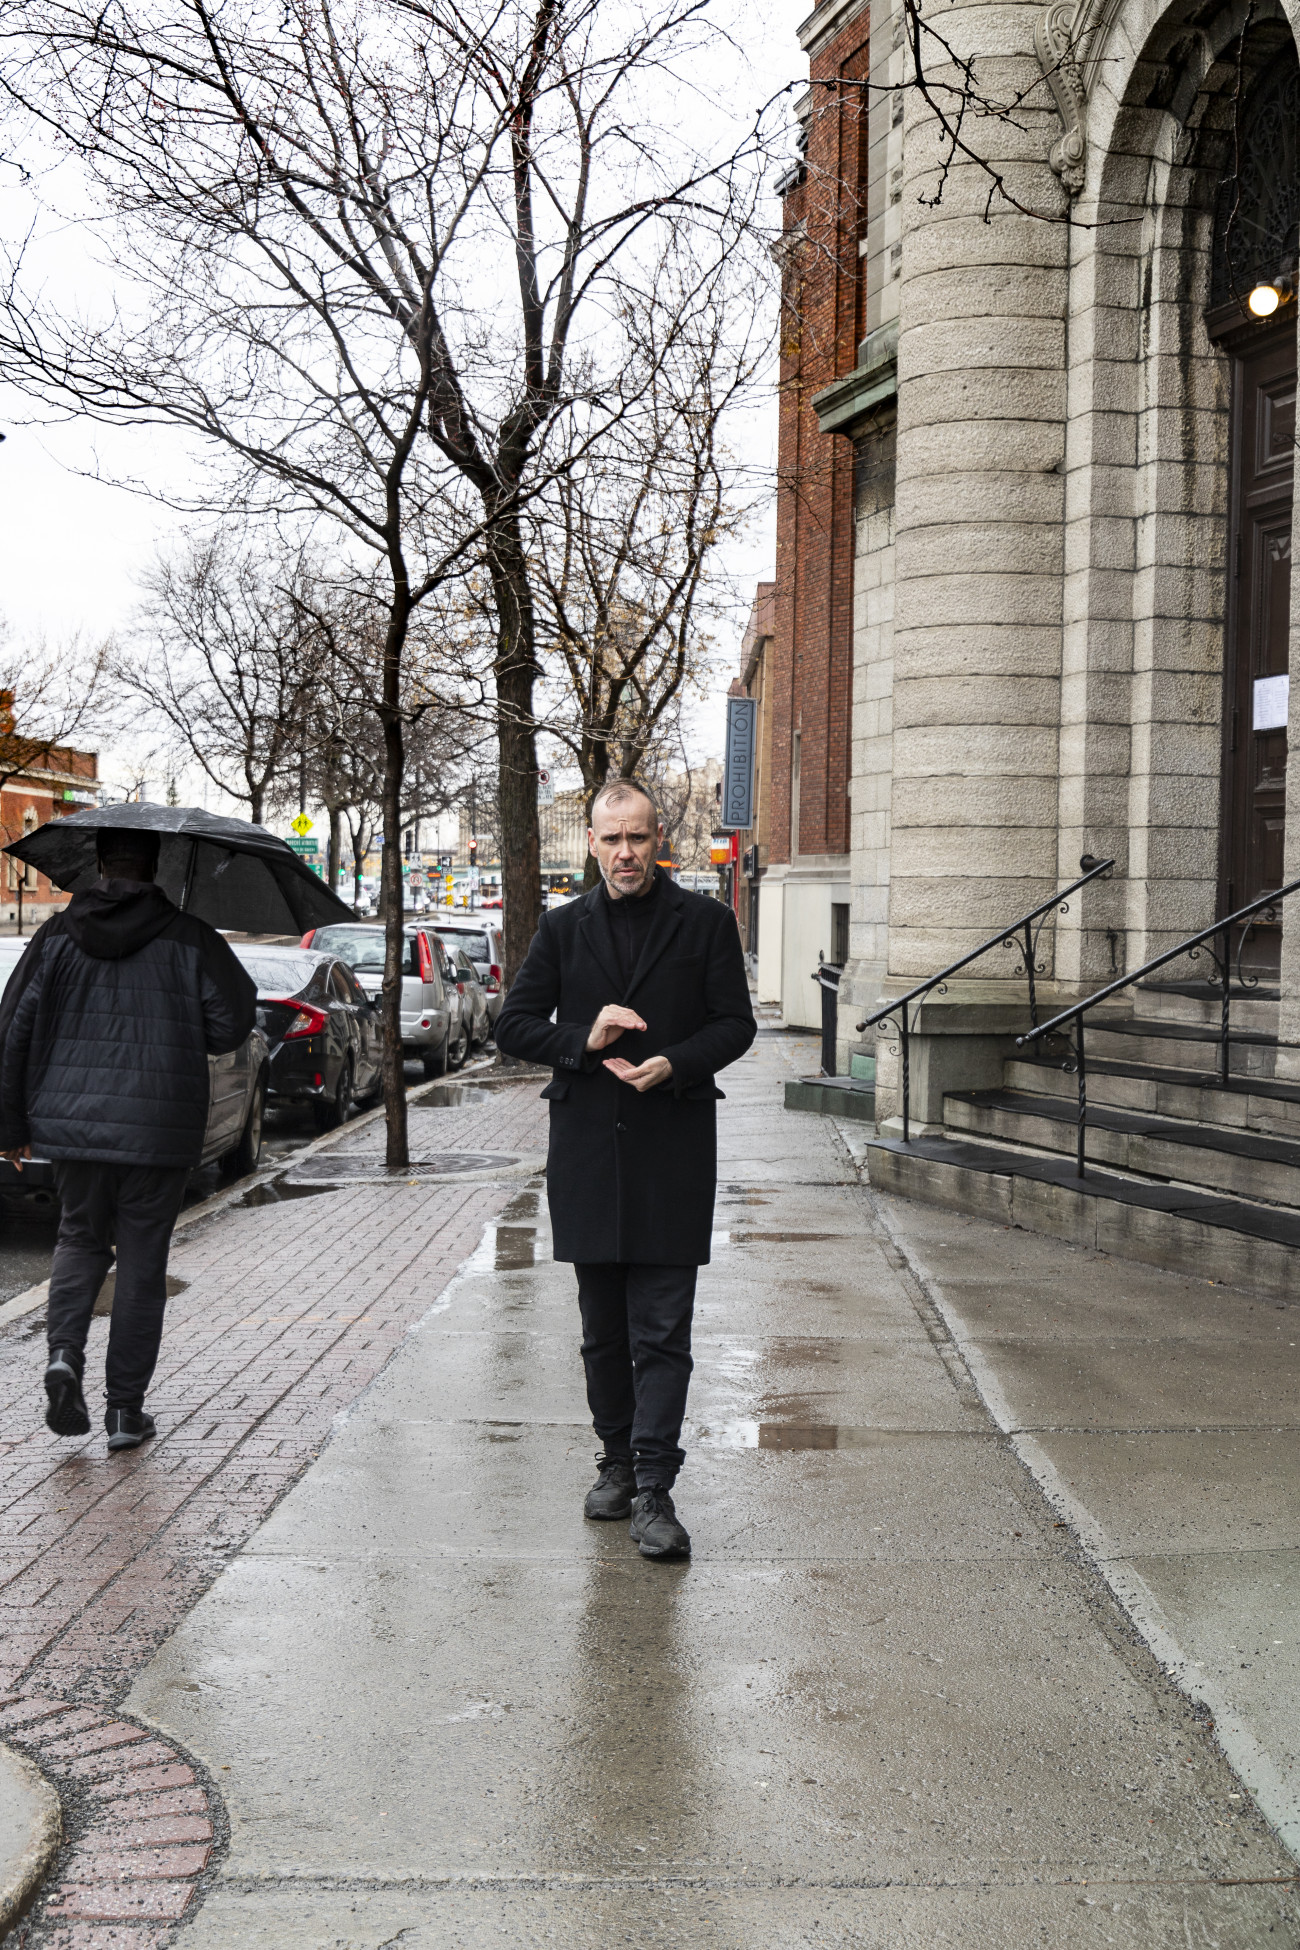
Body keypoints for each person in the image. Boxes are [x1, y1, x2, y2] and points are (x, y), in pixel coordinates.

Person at [494, 779, 756, 1559]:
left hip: (672, 1151)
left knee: (664, 1332)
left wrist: (673, 1063)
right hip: (587, 1153)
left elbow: (734, 1026)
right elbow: (514, 1024)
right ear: (592, 842)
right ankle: (613, 1463)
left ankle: (654, 1489)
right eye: (611, 839)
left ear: (659, 837)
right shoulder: (564, 928)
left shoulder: (706, 922)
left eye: (638, 837)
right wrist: (585, 1038)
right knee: (602, 1333)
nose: (625, 853)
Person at [0, 826, 256, 1451]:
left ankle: (64, 1355)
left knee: (80, 1240)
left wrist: (10, 1130)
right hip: (159, 1126)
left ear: (98, 864)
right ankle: (123, 1412)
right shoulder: (190, 936)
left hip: (73, 1126)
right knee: (143, 1264)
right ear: (155, 866)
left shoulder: (56, 934)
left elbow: (14, 1027)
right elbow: (230, 1027)